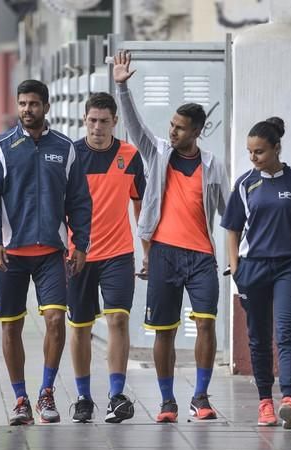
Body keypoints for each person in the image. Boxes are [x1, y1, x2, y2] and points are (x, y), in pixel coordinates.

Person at [112, 51, 230, 422]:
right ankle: (167, 402)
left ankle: (201, 396)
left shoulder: (212, 166)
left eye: (180, 127)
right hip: (163, 253)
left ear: (196, 131)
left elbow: (230, 213)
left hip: (201, 257)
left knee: (206, 322)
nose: (172, 130)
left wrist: (239, 253)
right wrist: (121, 86)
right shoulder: (158, 154)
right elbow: (135, 128)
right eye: (172, 124)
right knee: (165, 330)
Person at [0, 79, 92, 425]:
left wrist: (80, 244)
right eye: (23, 103)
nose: (28, 109)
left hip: (51, 254)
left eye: (34, 104)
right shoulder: (1, 147)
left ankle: (46, 392)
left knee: (56, 320)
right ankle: (20, 399)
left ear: (46, 106)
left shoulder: (65, 148)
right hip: (10, 254)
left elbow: (79, 201)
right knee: (11, 327)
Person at [221, 117, 291, 429]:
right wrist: (237, 269)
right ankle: (265, 401)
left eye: (260, 152)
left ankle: (289, 400)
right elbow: (232, 230)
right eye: (250, 152)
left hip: (290, 267)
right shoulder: (244, 184)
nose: (253, 158)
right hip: (253, 269)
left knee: (287, 333)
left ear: (277, 148)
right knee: (259, 338)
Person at [67, 92, 147, 424]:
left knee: (118, 320)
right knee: (81, 327)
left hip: (118, 253)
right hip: (79, 255)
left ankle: (116, 395)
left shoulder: (130, 156)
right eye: (92, 120)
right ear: (84, 120)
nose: (97, 127)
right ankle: (84, 398)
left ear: (115, 122)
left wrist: (147, 252)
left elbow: (141, 205)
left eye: (104, 121)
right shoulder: (71, 155)